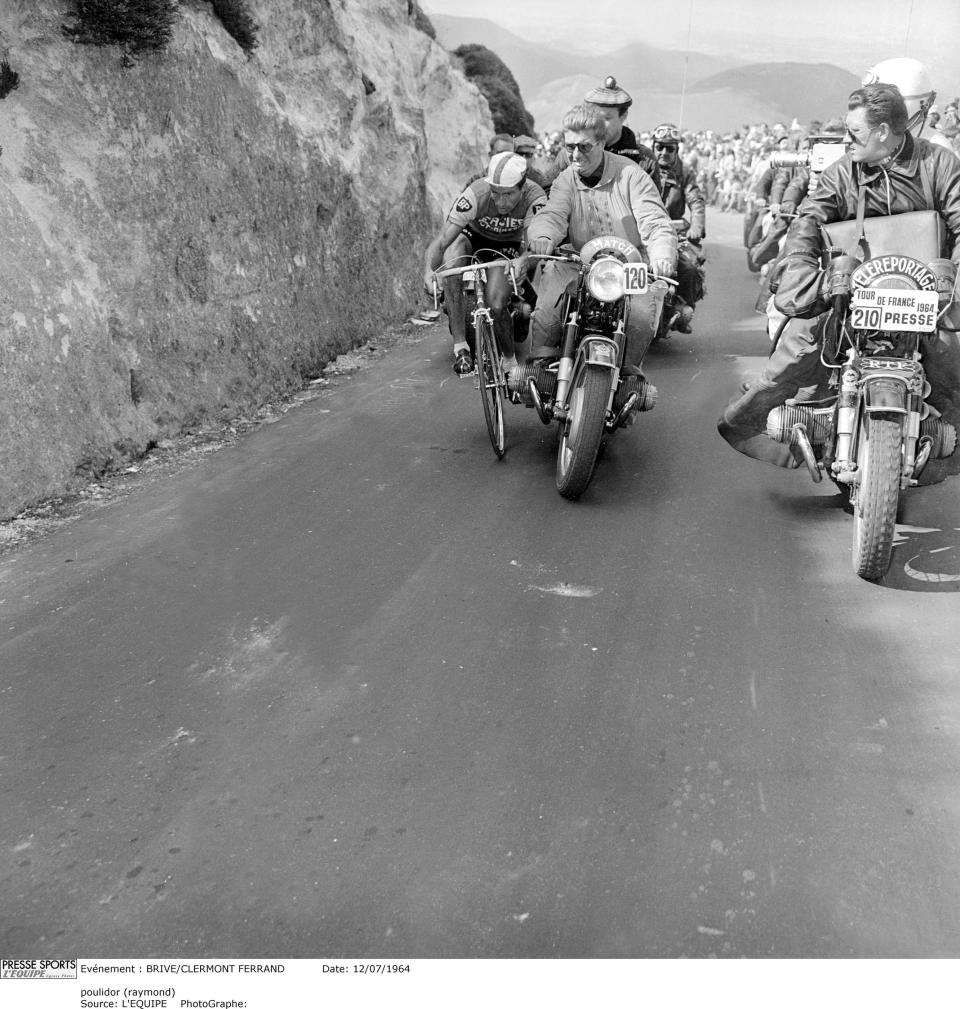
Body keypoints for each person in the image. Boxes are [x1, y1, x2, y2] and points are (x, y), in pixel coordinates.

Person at [718, 83, 960, 467]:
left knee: (951, 362)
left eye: (856, 132)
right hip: (851, 292)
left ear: (883, 130)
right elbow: (810, 218)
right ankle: (764, 423)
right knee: (796, 348)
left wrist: (952, 282)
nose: (847, 140)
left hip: (924, 295)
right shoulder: (841, 172)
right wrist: (799, 263)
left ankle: (943, 443)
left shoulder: (940, 164)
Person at [525, 104, 677, 377]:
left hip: (629, 265)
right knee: (548, 307)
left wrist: (662, 254)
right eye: (569, 146)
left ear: (602, 143)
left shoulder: (632, 175)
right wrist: (543, 236)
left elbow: (654, 222)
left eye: (584, 147)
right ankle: (541, 367)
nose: (574, 154)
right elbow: (553, 214)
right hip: (577, 260)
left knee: (642, 317)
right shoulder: (565, 179)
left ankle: (629, 376)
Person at [423, 152, 546, 375]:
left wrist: (523, 261)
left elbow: (533, 246)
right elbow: (442, 240)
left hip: (510, 245)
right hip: (475, 236)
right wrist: (428, 271)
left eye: (508, 194)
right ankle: (460, 347)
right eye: (496, 194)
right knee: (452, 260)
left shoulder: (534, 198)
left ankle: (509, 360)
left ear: (522, 186)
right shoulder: (475, 194)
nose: (501, 202)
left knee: (496, 303)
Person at [541, 77, 662, 193]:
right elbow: (546, 190)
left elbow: (653, 206)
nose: (600, 123)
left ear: (623, 117)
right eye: (596, 116)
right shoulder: (570, 154)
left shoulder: (644, 159)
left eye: (607, 118)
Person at [650, 122, 707, 332]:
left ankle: (684, 308)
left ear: (677, 150)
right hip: (643, 232)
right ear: (653, 146)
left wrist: (696, 225)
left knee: (691, 267)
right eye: (660, 147)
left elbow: (696, 201)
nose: (664, 152)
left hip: (674, 232)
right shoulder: (642, 167)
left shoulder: (684, 173)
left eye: (670, 148)